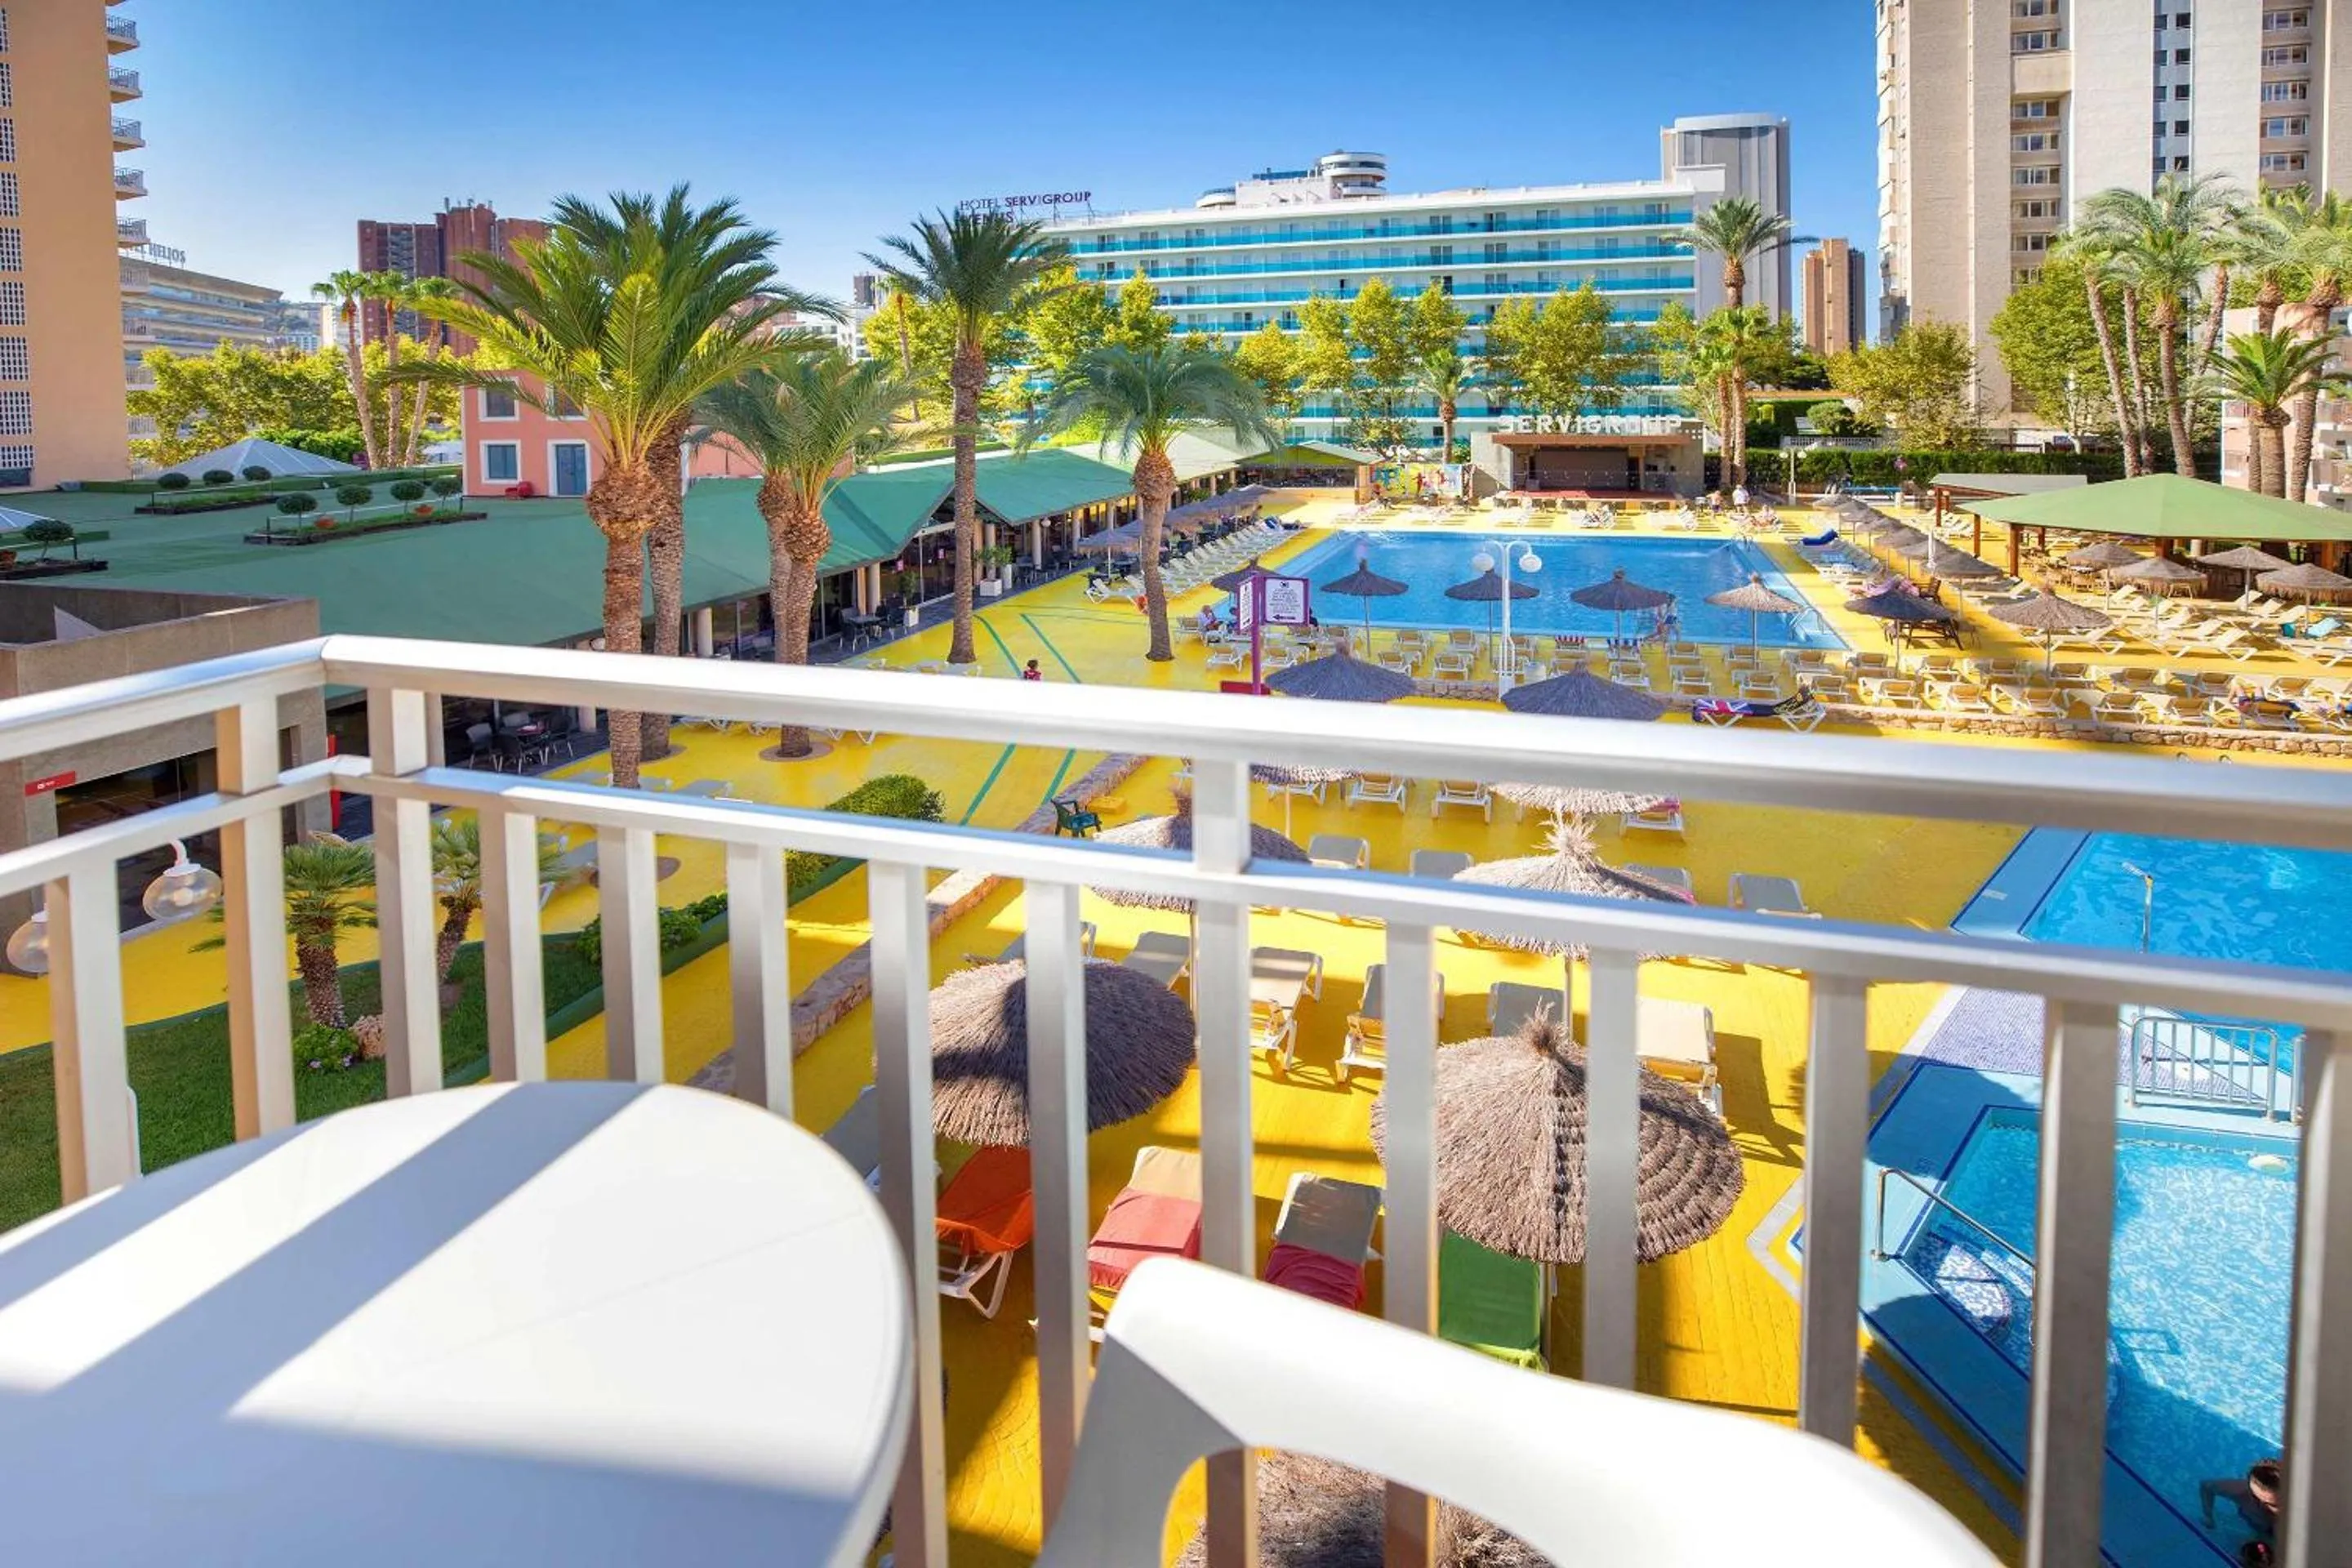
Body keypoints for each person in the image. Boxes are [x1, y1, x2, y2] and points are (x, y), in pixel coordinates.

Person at [2200, 1458, 2282, 1544]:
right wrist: (2208, 1517)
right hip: (2260, 1528)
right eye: (2255, 1497)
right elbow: (2206, 1487)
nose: (2261, 1505)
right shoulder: (2242, 1492)